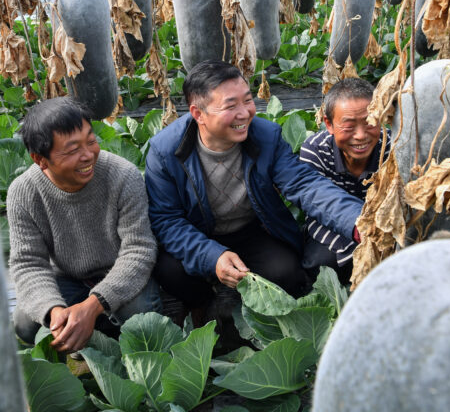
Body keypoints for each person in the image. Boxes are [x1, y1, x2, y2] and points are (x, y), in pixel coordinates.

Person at [145, 60, 364, 316]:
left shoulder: (266, 136)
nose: (245, 113)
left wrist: (357, 222)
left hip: (250, 230)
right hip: (196, 232)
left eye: (247, 100)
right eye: (230, 105)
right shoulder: (165, 152)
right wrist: (213, 256)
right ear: (198, 114)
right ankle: (204, 304)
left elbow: (305, 185)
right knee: (170, 272)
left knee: (287, 274)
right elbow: (167, 221)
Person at [8, 97, 160, 352]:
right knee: (26, 323)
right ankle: (87, 332)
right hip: (66, 277)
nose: (88, 155)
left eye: (91, 141)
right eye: (71, 150)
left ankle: (99, 325)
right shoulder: (23, 192)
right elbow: (28, 263)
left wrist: (93, 306)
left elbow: (139, 249)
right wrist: (54, 312)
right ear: (40, 159)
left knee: (142, 318)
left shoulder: (122, 175)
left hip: (118, 272)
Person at [299, 78, 390, 284]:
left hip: (383, 231)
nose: (360, 135)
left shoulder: (393, 149)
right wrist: (359, 251)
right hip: (332, 229)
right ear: (329, 124)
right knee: (320, 265)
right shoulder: (315, 150)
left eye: (370, 122)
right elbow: (316, 211)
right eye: (348, 126)